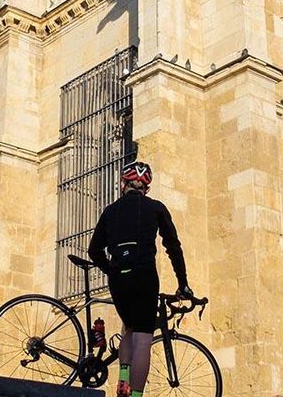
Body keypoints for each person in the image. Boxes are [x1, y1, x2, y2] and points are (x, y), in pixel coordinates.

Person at [88, 161, 192, 397]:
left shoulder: (110, 211)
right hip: (144, 275)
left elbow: (94, 250)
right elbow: (173, 246)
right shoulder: (155, 208)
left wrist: (111, 270)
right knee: (143, 337)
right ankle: (135, 395)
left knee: (129, 326)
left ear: (123, 184)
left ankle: (123, 378)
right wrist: (182, 283)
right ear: (146, 188)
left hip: (119, 279)